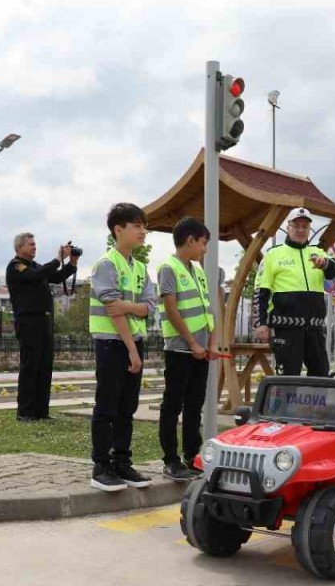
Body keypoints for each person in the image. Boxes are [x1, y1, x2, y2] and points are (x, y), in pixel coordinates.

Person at [89, 203, 158, 492]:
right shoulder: (106, 264)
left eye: (143, 226)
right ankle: (101, 466)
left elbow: (149, 308)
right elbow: (112, 311)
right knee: (107, 406)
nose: (143, 231)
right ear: (119, 230)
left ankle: (122, 462)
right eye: (136, 226)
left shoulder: (141, 268)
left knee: (127, 407)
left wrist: (131, 306)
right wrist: (131, 349)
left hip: (134, 344)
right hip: (112, 345)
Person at [156, 217, 223, 482]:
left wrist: (212, 342)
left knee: (195, 404)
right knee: (173, 405)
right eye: (203, 243)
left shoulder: (197, 272)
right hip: (180, 350)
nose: (205, 249)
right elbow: (172, 309)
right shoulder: (168, 268)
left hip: (201, 351)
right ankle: (170, 460)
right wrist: (193, 342)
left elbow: (209, 310)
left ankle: (191, 455)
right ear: (191, 240)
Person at [254, 208, 335, 377]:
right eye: (296, 226)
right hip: (287, 328)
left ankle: (314, 405)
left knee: (321, 374)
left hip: (315, 327)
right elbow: (260, 291)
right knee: (289, 376)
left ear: (310, 229)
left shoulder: (318, 253)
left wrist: (324, 265)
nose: (301, 230)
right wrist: (261, 323)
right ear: (288, 228)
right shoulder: (273, 255)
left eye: (305, 226)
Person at [5, 233, 79, 422]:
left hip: (44, 322)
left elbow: (56, 276)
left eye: (35, 244)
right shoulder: (16, 266)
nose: (34, 247)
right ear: (19, 247)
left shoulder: (37, 267)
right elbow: (37, 275)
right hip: (28, 321)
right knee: (30, 366)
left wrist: (72, 263)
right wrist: (57, 258)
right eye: (31, 244)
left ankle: (41, 411)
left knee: (44, 366)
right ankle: (25, 412)